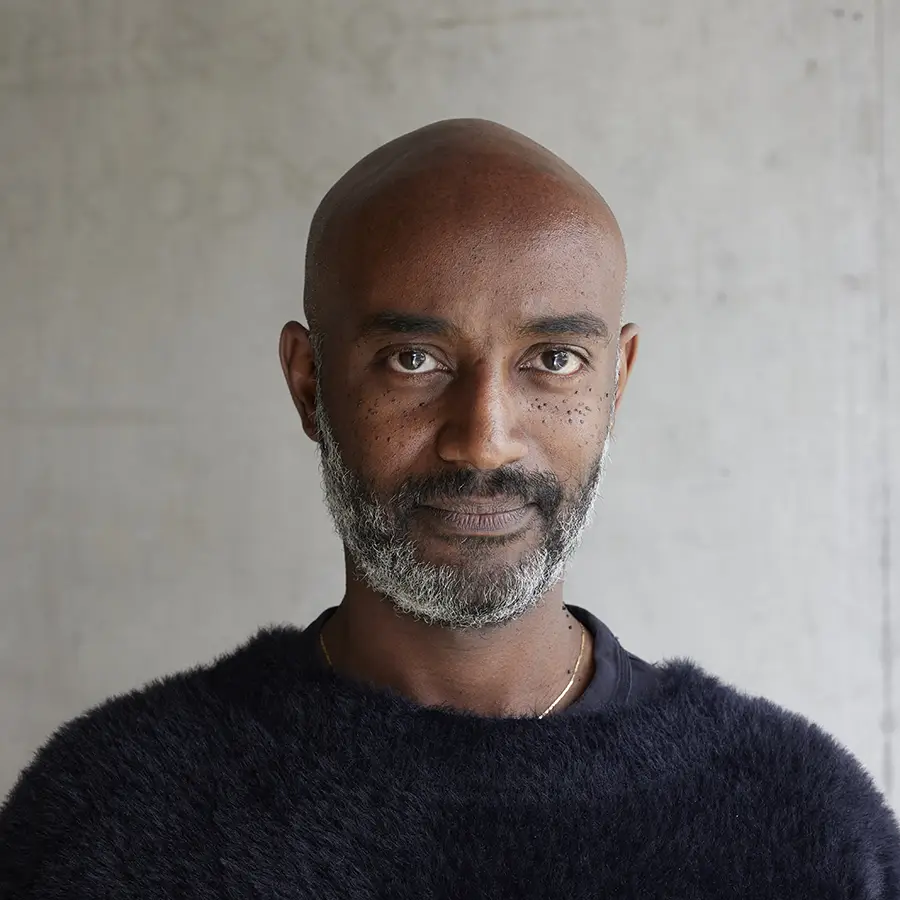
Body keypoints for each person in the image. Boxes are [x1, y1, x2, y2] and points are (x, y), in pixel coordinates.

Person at [0, 119, 897, 898]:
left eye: (554, 360)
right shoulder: (112, 811)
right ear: (309, 383)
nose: (484, 440)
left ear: (617, 383)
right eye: (414, 361)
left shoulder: (806, 825)